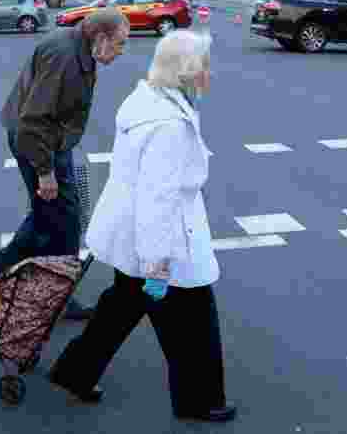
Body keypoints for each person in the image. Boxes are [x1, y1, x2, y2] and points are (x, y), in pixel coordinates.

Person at [47, 30, 236, 423]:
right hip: (160, 239)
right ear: (185, 72)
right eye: (204, 65)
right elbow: (158, 199)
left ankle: (74, 373)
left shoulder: (146, 99)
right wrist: (157, 263)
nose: (210, 73)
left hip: (129, 231)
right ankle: (200, 402)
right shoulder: (169, 126)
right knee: (194, 322)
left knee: (121, 307)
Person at [0, 7, 131, 321]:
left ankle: (23, 274)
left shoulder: (76, 46)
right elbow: (33, 120)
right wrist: (45, 171)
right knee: (62, 221)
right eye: (120, 43)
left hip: (48, 141)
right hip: (38, 143)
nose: (122, 51)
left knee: (54, 216)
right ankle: (32, 279)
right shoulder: (65, 58)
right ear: (100, 37)